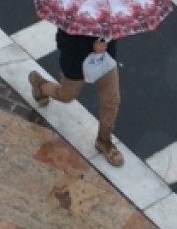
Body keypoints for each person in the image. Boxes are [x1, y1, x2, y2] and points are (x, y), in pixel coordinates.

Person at [29, 28, 124, 166]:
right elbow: (62, 42)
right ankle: (41, 86)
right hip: (77, 65)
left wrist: (112, 38)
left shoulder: (112, 12)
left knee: (112, 100)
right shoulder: (74, 17)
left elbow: (118, 31)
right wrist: (91, 48)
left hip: (105, 61)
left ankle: (104, 139)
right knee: (66, 96)